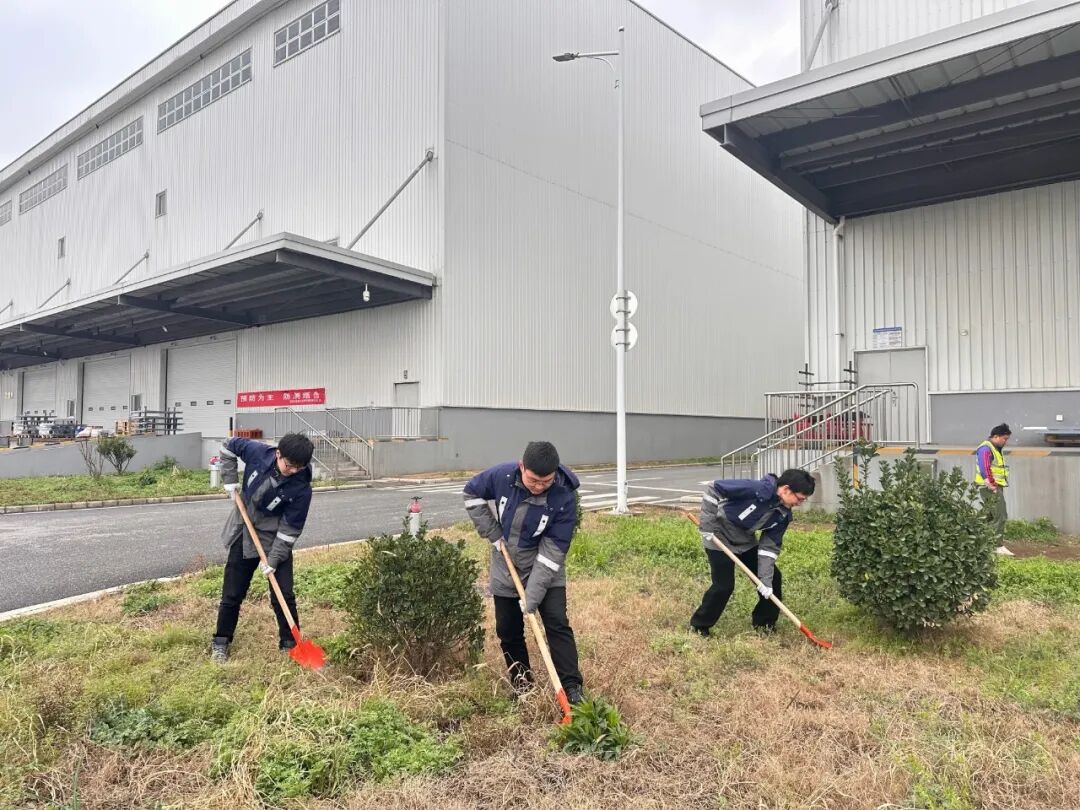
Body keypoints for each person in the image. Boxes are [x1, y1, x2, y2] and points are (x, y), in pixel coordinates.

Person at [462, 441, 584, 704]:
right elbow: (471, 493)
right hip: (506, 561)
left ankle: (572, 688)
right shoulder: (502, 476)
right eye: (533, 480)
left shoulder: (563, 495)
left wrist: (532, 597)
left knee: (556, 623)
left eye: (546, 481)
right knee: (508, 629)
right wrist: (493, 533)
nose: (539, 486)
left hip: (545, 564)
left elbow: (553, 552)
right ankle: (521, 684)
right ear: (521, 467)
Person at [210, 432, 315, 662]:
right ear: (278, 454)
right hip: (246, 527)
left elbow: (290, 531)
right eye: (290, 465)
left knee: (284, 594)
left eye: (299, 467)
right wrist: (230, 480)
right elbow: (228, 446)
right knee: (233, 591)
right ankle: (221, 641)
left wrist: (274, 560)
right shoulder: (258, 452)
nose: (294, 471)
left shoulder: (301, 489)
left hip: (274, 536)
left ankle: (290, 644)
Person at [690, 469, 816, 636]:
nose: (800, 503)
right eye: (799, 498)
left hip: (745, 541)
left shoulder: (783, 515)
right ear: (786, 489)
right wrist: (707, 525)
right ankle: (699, 626)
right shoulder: (755, 489)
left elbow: (768, 548)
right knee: (724, 586)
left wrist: (765, 580)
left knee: (773, 580)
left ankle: (764, 625)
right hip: (717, 536)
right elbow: (714, 488)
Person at [975, 423, 1011, 549]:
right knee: (1000, 514)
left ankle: (973, 535)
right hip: (990, 487)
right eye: (1004, 439)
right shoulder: (986, 448)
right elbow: (985, 466)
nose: (1005, 442)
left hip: (993, 486)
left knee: (988, 514)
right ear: (996, 436)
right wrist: (991, 484)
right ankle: (996, 546)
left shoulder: (994, 448)